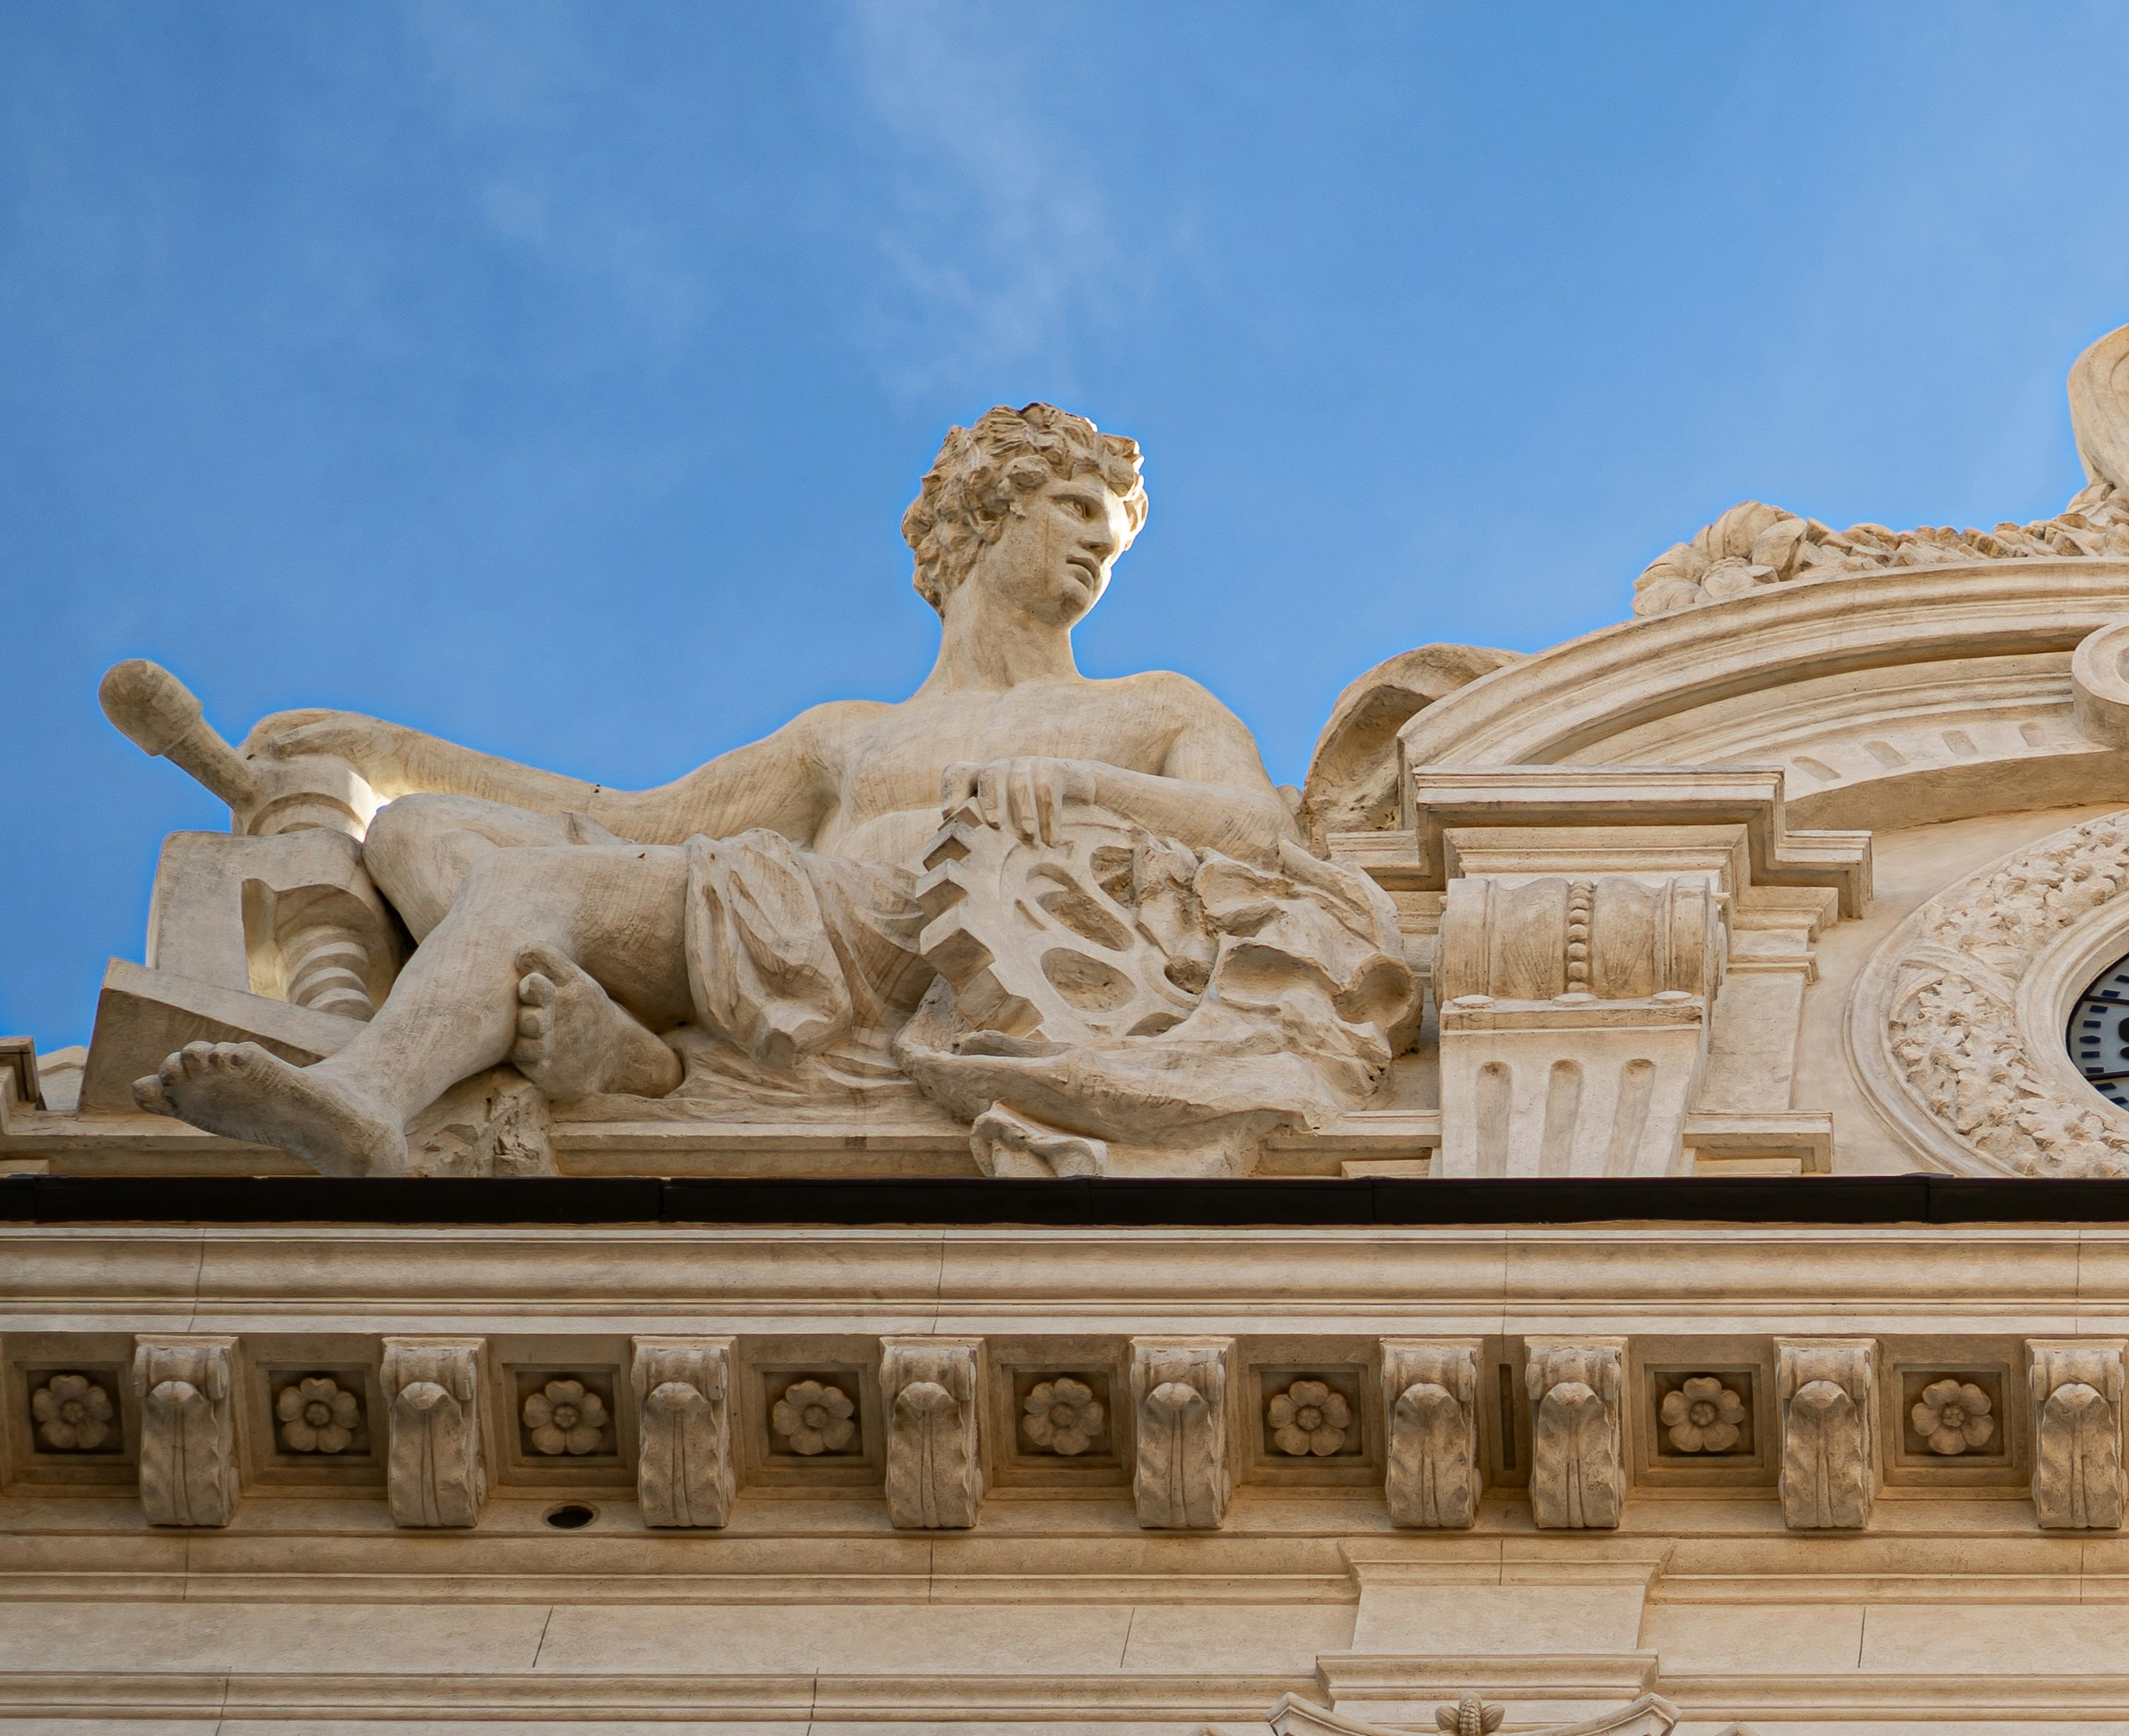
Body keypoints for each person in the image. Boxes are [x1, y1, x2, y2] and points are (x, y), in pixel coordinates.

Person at [148, 404, 1396, 1177]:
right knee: (427, 834)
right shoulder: (843, 738)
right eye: (1072, 508)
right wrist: (386, 751)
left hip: (942, 939)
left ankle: (367, 1099)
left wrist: (1073, 783)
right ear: (981, 515)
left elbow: (1255, 832)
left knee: (533, 886)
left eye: (1111, 537)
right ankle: (625, 1061)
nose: (1095, 548)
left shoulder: (1156, 708)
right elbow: (627, 821)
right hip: (811, 915)